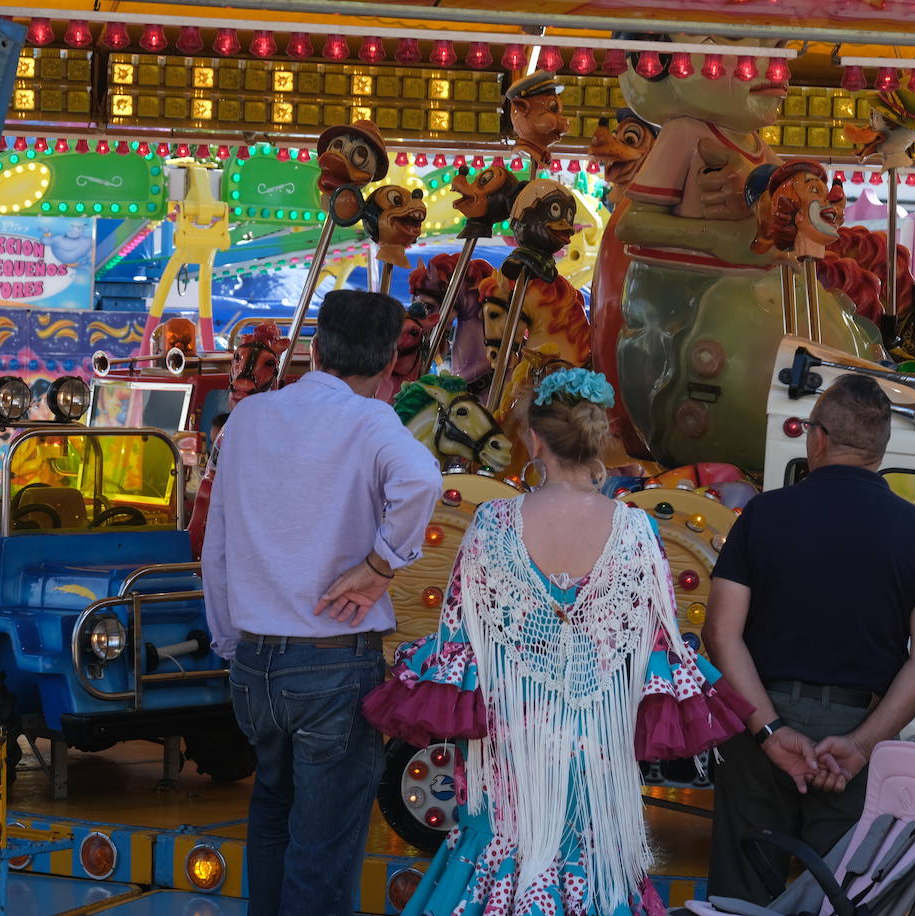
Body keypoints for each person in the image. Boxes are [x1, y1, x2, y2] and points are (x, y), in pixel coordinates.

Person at [362, 367, 752, 915]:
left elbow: (458, 645)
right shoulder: (636, 531)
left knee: (495, 861)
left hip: (511, 749)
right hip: (598, 750)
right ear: (597, 438)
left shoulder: (493, 523)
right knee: (596, 868)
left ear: (535, 439)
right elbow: (659, 652)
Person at [202, 289, 442, 916]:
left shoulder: (251, 419)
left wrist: (231, 643)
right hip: (331, 662)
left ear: (317, 347)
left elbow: (218, 544)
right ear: (391, 360)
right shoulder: (370, 421)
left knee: (272, 812)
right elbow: (422, 481)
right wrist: (379, 565)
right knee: (324, 843)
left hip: (256, 663)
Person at [704, 373, 915, 902]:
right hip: (856, 732)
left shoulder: (762, 516)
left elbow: (721, 634)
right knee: (838, 896)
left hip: (757, 724)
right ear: (881, 450)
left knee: (741, 898)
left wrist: (770, 732)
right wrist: (862, 745)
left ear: (816, 438)